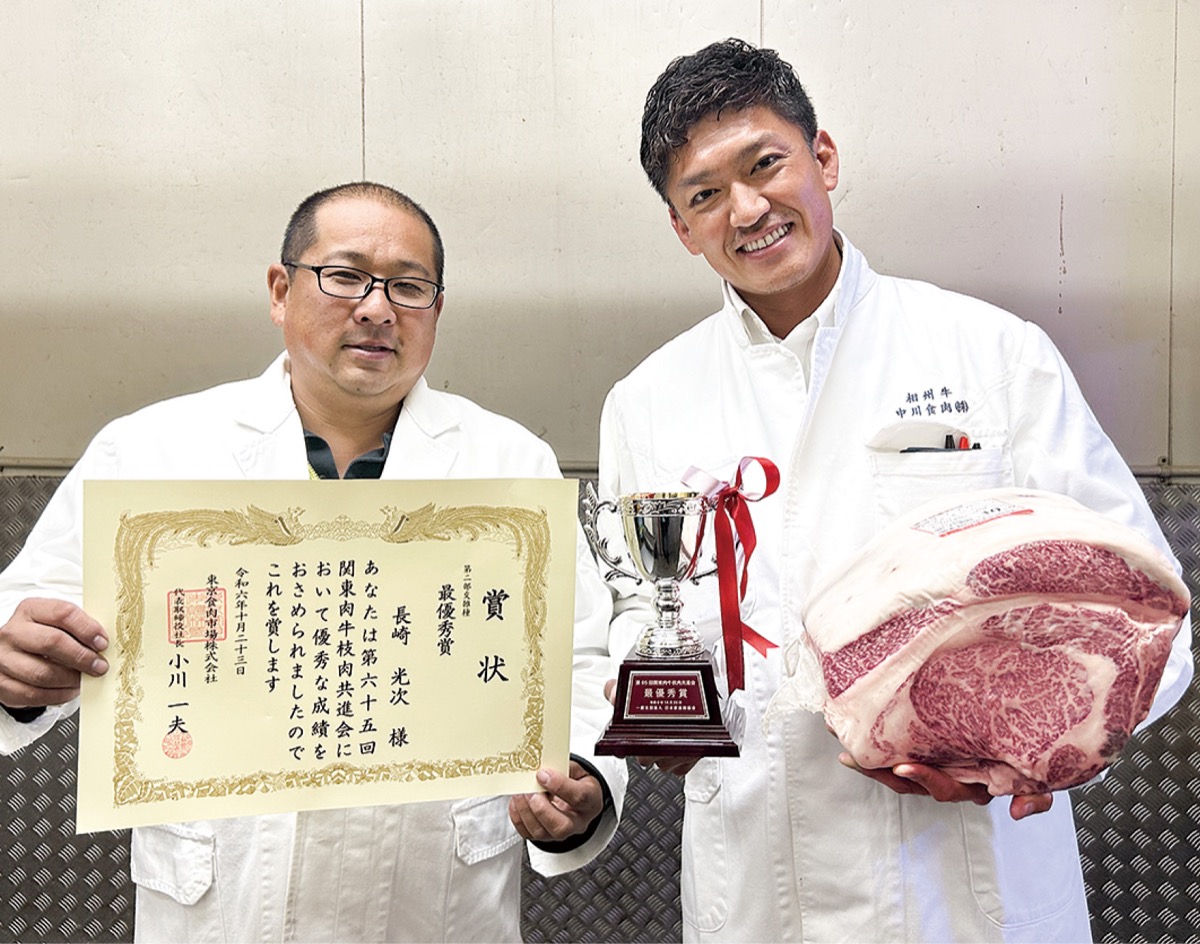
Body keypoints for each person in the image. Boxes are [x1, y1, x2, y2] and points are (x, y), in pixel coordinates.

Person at [598, 39, 1194, 943]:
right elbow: (632, 616)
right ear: (682, 228)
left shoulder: (992, 354)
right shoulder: (647, 402)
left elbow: (1147, 610)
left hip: (966, 889)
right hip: (759, 886)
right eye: (705, 195)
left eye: (765, 165)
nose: (747, 209)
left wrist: (1034, 750)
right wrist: (659, 722)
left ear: (824, 158)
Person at [0, 181, 626, 943]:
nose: (377, 308)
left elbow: (581, 662)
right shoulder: (150, 449)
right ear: (280, 289)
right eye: (346, 275)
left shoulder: (509, 463)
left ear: (437, 308)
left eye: (409, 286)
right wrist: (19, 663)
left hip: (434, 902)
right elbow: (34, 610)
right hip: (224, 900)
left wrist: (582, 775)